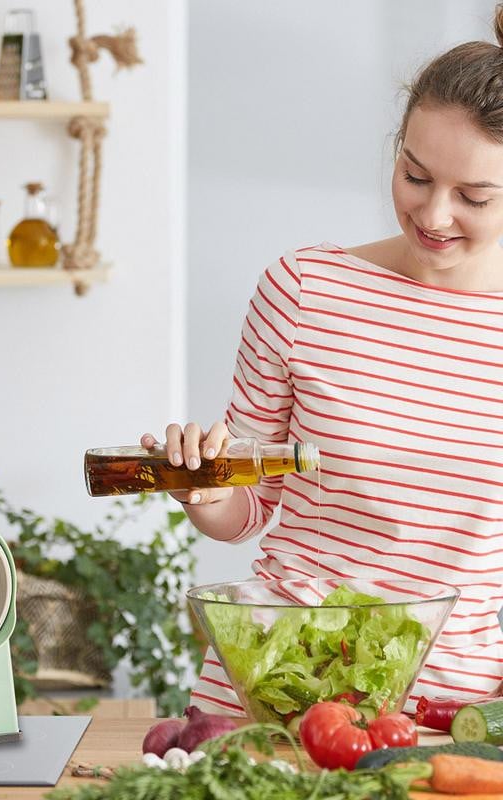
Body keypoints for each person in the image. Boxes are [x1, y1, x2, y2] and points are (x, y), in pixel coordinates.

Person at [144, 7, 503, 716]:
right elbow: (249, 506)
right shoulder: (304, 289)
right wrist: (203, 490)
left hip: (448, 713)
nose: (433, 214)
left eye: (473, 195)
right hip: (276, 677)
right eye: (414, 174)